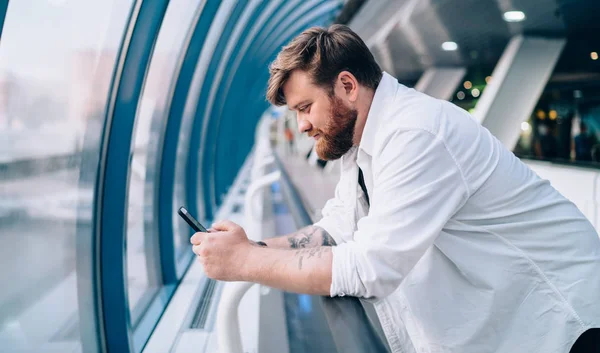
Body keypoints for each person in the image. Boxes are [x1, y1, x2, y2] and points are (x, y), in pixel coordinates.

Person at [190, 25, 600, 352]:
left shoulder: (417, 133)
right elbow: (337, 228)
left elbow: (372, 268)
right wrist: (256, 247)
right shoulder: (362, 142)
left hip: (565, 325)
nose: (301, 125)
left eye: (304, 107)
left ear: (347, 86)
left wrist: (244, 264)